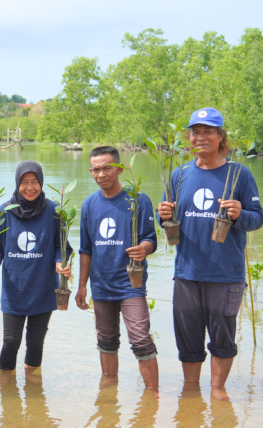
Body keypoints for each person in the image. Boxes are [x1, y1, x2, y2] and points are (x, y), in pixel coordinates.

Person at [157, 107, 263, 400]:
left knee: (222, 338)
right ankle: (191, 389)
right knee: (188, 338)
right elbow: (167, 219)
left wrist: (240, 214)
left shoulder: (239, 173)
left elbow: (257, 218)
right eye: (195, 132)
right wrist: (162, 214)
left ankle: (217, 390)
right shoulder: (179, 174)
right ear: (189, 137)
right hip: (187, 272)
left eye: (208, 131)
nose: (200, 137)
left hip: (225, 273)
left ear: (220, 136)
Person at [76, 146, 159, 391]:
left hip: (130, 284)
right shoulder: (89, 204)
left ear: (119, 169)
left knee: (141, 339)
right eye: (96, 170)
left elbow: (151, 239)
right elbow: (86, 249)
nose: (101, 174)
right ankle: (108, 392)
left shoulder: (138, 199)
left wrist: (143, 249)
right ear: (91, 171)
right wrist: (82, 286)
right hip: (101, 285)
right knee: (106, 340)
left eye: (106, 168)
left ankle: (152, 396)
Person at [0, 160, 72, 375]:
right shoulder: (4, 211)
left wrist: (60, 262)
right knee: (10, 342)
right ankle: (7, 394)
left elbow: (61, 247)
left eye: (35, 182)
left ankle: (34, 393)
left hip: (43, 287)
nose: (30, 187)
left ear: (41, 182)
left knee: (35, 342)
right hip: (15, 289)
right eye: (24, 182)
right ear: (17, 183)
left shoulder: (54, 210)